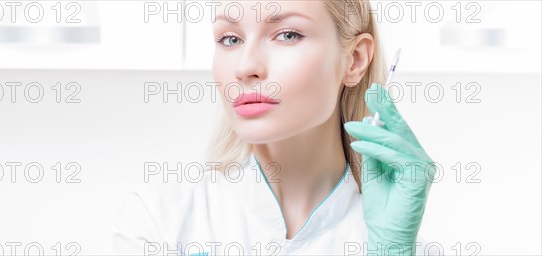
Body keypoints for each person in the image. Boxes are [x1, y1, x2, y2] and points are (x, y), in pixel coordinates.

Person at [113, 0, 438, 255]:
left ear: (354, 59)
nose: (245, 67)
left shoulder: (400, 244)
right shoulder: (162, 219)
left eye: (287, 35)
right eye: (230, 38)